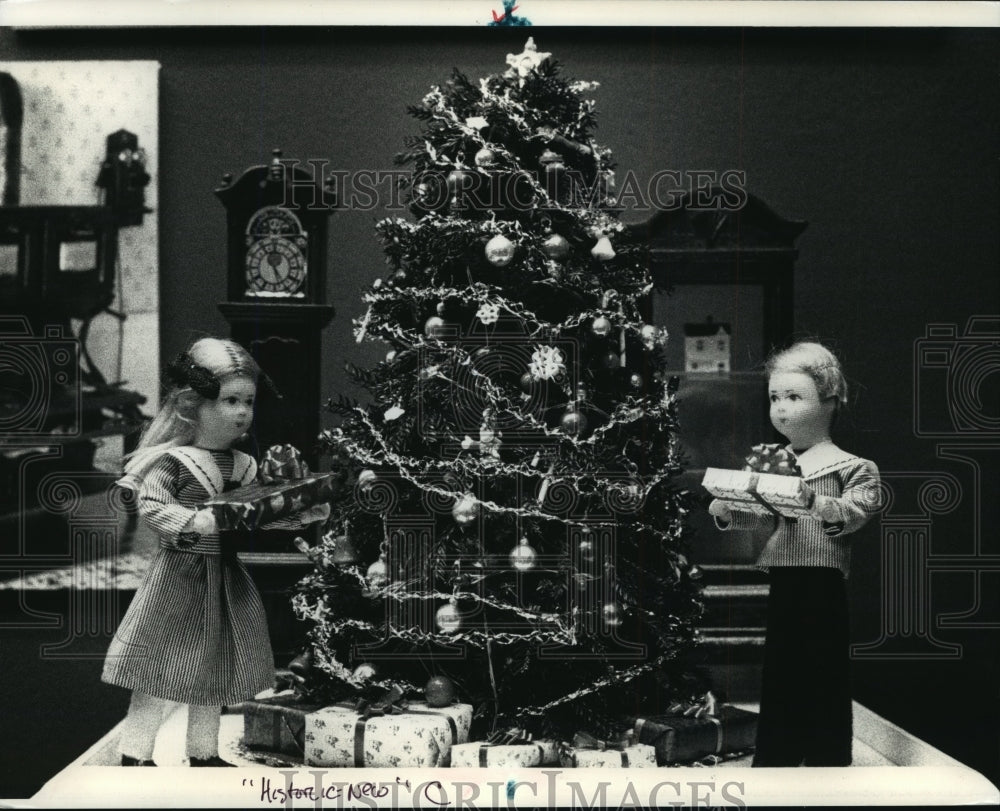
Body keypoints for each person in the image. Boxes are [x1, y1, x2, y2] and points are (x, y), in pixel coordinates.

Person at [102, 337, 318, 767]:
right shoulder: (173, 462)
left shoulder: (244, 466)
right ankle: (135, 753)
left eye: (248, 401)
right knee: (159, 669)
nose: (242, 412)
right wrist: (191, 521)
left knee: (215, 669)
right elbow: (153, 504)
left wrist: (302, 515)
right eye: (229, 400)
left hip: (224, 578)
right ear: (191, 404)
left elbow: (256, 516)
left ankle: (202, 751)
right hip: (179, 578)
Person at [708, 341, 882, 766]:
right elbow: (761, 515)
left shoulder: (852, 467)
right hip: (784, 574)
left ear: (829, 401)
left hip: (823, 577)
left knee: (824, 666)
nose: (781, 409)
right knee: (782, 666)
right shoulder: (773, 462)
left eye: (794, 397)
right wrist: (729, 509)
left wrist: (817, 502)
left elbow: (858, 511)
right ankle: (779, 751)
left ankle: (826, 752)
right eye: (774, 398)